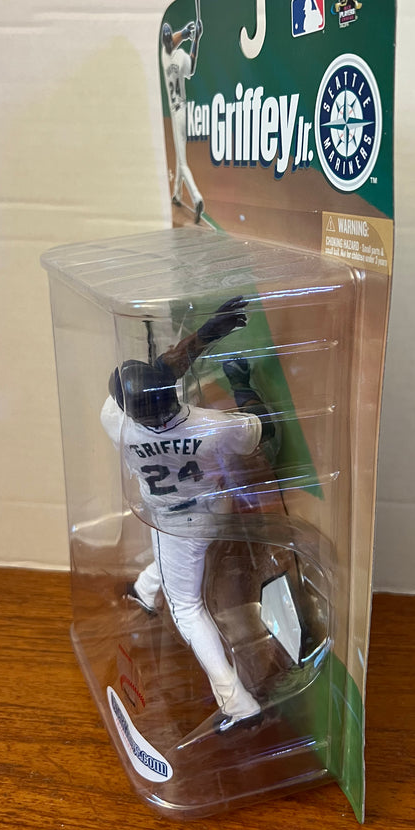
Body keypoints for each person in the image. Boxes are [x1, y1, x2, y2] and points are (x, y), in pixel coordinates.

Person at [100, 299, 276, 732]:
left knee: (185, 602)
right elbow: (264, 427)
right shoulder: (212, 425)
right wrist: (239, 380)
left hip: (174, 519)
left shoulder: (114, 420)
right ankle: (146, 592)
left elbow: (160, 374)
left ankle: (238, 704)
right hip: (212, 508)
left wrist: (205, 335)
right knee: (182, 590)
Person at [161, 17, 205, 223]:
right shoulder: (179, 56)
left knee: (182, 161)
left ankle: (197, 198)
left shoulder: (165, 58)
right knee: (180, 155)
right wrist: (195, 39)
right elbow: (192, 66)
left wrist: (186, 34)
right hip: (184, 111)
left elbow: (171, 41)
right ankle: (177, 195)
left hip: (175, 111)